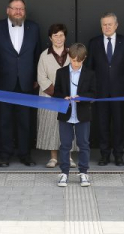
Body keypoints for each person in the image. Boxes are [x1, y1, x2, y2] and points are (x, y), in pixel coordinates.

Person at [0, 0, 42, 167]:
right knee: (4, 121)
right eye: (15, 8)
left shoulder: (34, 28)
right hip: (3, 83)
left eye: (21, 9)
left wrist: (36, 79)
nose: (18, 12)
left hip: (26, 83)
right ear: (7, 10)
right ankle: (4, 154)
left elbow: (37, 55)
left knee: (25, 121)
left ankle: (25, 154)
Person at [86, 12, 124, 166]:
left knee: (119, 124)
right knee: (102, 124)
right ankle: (104, 155)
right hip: (100, 93)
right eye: (104, 24)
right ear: (101, 26)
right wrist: (89, 91)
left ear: (116, 25)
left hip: (120, 92)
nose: (107, 27)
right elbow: (89, 69)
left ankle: (119, 154)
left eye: (110, 24)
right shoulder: (94, 43)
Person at [53, 43, 96, 187]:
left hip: (82, 114)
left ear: (84, 59)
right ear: (69, 57)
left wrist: (82, 97)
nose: (75, 63)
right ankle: (64, 173)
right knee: (65, 145)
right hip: (66, 114)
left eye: (78, 60)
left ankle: (83, 173)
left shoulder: (90, 73)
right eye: (73, 60)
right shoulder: (61, 72)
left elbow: (93, 94)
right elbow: (56, 92)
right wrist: (62, 97)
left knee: (83, 144)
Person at [36, 23, 77, 168]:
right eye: (55, 35)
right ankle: (53, 158)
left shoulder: (72, 53)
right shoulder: (44, 55)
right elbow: (41, 77)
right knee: (51, 126)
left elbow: (78, 72)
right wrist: (56, 93)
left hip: (69, 96)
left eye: (61, 35)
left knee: (69, 126)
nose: (59, 38)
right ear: (50, 38)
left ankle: (69, 157)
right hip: (49, 97)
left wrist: (68, 92)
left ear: (65, 37)